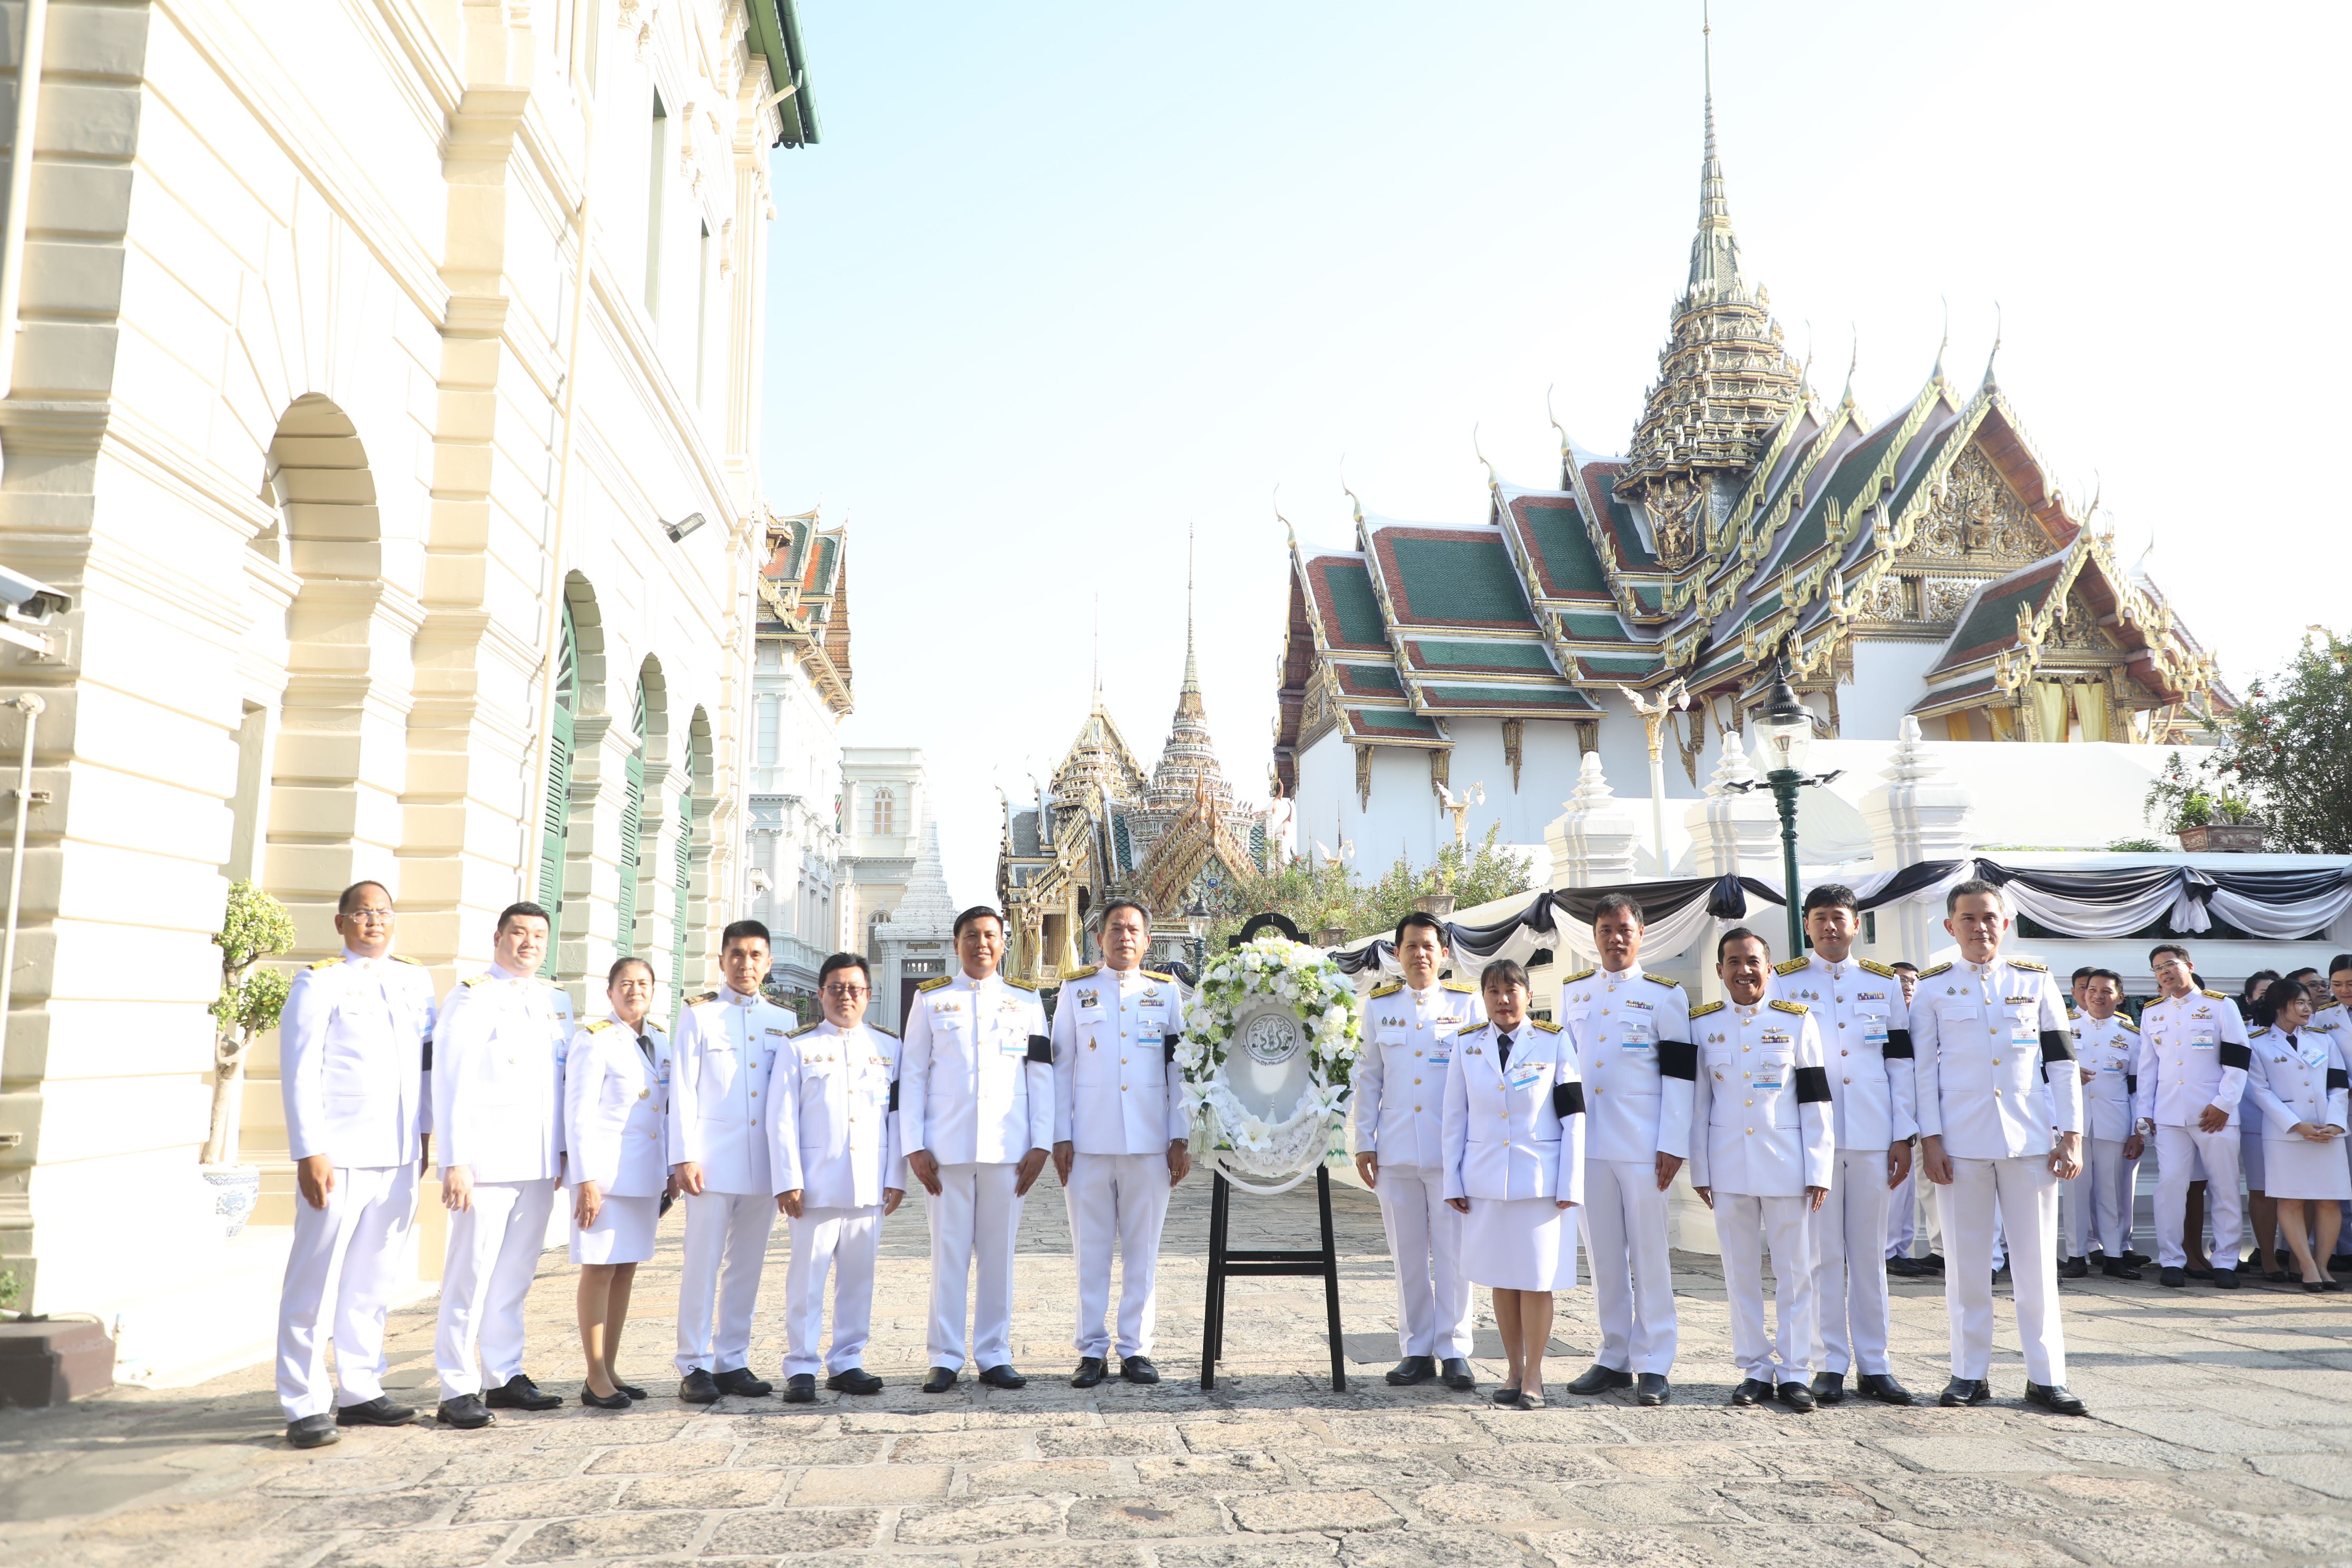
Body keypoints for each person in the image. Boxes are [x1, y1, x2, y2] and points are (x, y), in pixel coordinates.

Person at [273, 880, 439, 1448]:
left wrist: (422, 1136)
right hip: (337, 1156)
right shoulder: (320, 981)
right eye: (363, 913)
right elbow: (297, 1071)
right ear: (341, 923)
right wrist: (308, 1150)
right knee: (313, 1281)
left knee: (373, 1278)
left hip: (397, 1154)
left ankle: (361, 1388)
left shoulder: (415, 981)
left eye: (384, 913)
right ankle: (303, 1401)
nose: (375, 922)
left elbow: (424, 1068)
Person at [1913, 879, 2086, 1416]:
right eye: (1968, 918)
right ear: (1950, 926)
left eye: (1990, 917)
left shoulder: (2034, 981)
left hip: (2030, 1141)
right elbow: (1921, 1072)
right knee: (1966, 1267)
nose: (1980, 927)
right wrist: (1931, 1141)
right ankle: (1969, 1374)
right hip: (1961, 1144)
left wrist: (2071, 1135)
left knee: (2036, 1266)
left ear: (2004, 923)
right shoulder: (1934, 988)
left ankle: (2047, 1376)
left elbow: (2060, 1061)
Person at [431, 901, 575, 1427]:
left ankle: (503, 1374)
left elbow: (562, 1084)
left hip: (536, 1162)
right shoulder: (472, 998)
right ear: (498, 938)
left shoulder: (555, 1000)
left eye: (539, 934)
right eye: (519, 933)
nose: (530, 943)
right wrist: (455, 1161)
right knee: (469, 1274)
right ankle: (456, 1385)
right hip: (485, 1164)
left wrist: (562, 1152)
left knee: (515, 1274)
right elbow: (449, 1081)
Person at [899, 906, 1052, 1392]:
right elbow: (914, 1075)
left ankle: (994, 1354)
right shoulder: (931, 1001)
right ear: (957, 943)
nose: (981, 944)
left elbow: (1041, 1075)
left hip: (1009, 1150)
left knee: (998, 1254)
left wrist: (1042, 1143)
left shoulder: (1027, 1002)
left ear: (1004, 942)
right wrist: (913, 1145)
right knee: (948, 1254)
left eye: (990, 936)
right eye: (971, 936)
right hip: (946, 1152)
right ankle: (944, 1356)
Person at [1771, 886, 1914, 1407]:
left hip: (1875, 1136)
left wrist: (1903, 1134)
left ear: (1856, 925)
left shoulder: (1883, 984)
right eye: (1819, 919)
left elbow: (1900, 1063)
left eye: (1839, 918)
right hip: (1814, 1139)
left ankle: (1876, 1364)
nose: (1830, 927)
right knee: (1823, 1255)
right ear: (1807, 926)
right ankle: (1829, 1363)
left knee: (1871, 1255)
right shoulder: (1783, 981)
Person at [1558, 892, 1695, 1407]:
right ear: (1594, 937)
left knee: (1650, 1255)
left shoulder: (1665, 996)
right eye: (1605, 930)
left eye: (1624, 929)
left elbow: (1681, 1077)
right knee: (1605, 1257)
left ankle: (1655, 1361)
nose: (1615, 938)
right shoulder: (1576, 993)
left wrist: (1673, 1142)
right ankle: (1614, 1354)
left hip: (1644, 1147)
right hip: (1590, 1145)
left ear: (1641, 934)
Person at [1050, 898, 1192, 1388]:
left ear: (1148, 941)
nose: (1124, 937)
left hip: (1151, 1143)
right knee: (1090, 1251)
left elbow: (1179, 1070)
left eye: (1134, 930)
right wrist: (1060, 1136)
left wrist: (1180, 1136)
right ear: (1100, 938)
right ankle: (1091, 1350)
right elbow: (1061, 1067)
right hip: (1088, 1143)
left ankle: (1136, 1349)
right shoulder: (1075, 991)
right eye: (1115, 929)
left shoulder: (1166, 994)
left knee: (1142, 1252)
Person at [1693, 928, 1833, 1410]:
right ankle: (1754, 1368)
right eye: (1733, 961)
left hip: (1786, 1164)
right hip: (1728, 1165)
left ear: (1768, 969)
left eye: (1753, 961)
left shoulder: (1797, 1021)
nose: (1744, 970)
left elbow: (1816, 1097)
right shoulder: (1705, 1026)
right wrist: (1700, 1169)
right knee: (1740, 1272)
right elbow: (1699, 1103)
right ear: (1719, 971)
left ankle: (1795, 1371)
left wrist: (1819, 1167)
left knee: (1796, 1272)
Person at [1442, 959, 1584, 1409]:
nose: (1503, 1000)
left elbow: (1574, 1115)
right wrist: (1453, 1178)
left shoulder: (1554, 1041)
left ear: (1527, 994)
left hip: (1540, 1181)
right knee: (1502, 1280)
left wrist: (1571, 1181)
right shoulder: (1466, 1046)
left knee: (1536, 1280)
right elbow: (1454, 1116)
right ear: (1483, 998)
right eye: (1493, 992)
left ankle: (1536, 1376)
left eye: (1512, 990)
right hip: (1485, 1182)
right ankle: (1512, 1370)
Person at [1351, 910, 1484, 1389]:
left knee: (1454, 1254)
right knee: (1407, 1255)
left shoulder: (1467, 1005)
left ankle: (1455, 1350)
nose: (1421, 954)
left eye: (1429, 946)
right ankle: (1416, 1350)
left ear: (1444, 954)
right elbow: (1369, 1077)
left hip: (1451, 1154)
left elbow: (1480, 1080)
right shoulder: (1379, 1007)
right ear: (1397, 954)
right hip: (1397, 1151)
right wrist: (1364, 1140)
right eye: (1411, 946)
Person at [770, 952, 906, 1400]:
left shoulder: (888, 1048)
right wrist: (788, 1178)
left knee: (858, 1277)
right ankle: (801, 1366)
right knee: (807, 1277)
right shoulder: (798, 1047)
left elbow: (898, 1118)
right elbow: (782, 1118)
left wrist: (897, 1175)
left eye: (855, 989)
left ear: (869, 995)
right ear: (821, 993)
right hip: (814, 1184)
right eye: (836, 988)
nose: (845, 996)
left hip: (869, 1181)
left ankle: (848, 1361)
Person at [669, 920, 793, 1402]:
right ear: (722, 961)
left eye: (755, 955)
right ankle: (693, 1362)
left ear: (768, 963)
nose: (746, 964)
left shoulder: (783, 1022)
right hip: (710, 1164)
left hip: (762, 1165)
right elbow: (681, 1088)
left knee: (746, 1265)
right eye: (737, 955)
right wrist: (682, 1156)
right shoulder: (700, 1017)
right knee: (701, 1263)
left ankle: (732, 1359)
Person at [563, 957, 675, 1409]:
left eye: (643, 984)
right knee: (599, 1268)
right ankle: (593, 1375)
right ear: (610, 992)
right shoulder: (595, 1041)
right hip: (606, 1176)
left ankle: (609, 1367)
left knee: (625, 1268)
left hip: (644, 1175)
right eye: (625, 984)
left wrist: (669, 1170)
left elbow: (663, 1113)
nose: (635, 991)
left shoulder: (660, 1041)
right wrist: (586, 1179)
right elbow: (579, 1114)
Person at [2132, 942, 2251, 1290]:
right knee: (2170, 1185)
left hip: (2214, 1113)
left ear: (2188, 965)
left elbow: (2238, 1059)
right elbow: (2147, 1069)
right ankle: (2172, 1259)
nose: (2165, 972)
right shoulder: (2153, 1012)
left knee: (2225, 1186)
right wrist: (2145, 1113)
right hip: (2169, 1115)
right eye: (2157, 968)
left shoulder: (2219, 1005)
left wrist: (2224, 1104)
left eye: (2170, 964)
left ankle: (2226, 1260)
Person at [2242, 977, 2348, 1290]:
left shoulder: (2322, 1039)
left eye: (2307, 1002)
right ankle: (2306, 1267)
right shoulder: (2258, 1043)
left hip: (2327, 1132)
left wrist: (2336, 1123)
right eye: (2299, 1003)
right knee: (2290, 1201)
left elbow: (2339, 1084)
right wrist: (2295, 1125)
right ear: (2280, 1007)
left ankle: (2323, 1266)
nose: (2307, 1008)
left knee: (2329, 1202)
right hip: (2285, 1134)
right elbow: (2259, 1092)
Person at [2062, 969, 2140, 1280]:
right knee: (2075, 1191)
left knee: (2112, 1190)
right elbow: (2042, 1076)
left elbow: (2138, 1088)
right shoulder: (2065, 1030)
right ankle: (2076, 1255)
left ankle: (2113, 1254)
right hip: (2073, 1122)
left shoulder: (2132, 1036)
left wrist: (2138, 1131)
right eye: (2092, 989)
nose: (2097, 995)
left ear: (2120, 997)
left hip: (2113, 1120)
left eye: (2106, 991)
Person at [1886, 961, 1939, 1278]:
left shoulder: (1927, 1017)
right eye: (1901, 981)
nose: (1907, 986)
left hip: (1930, 1114)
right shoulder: (1886, 1018)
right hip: (1898, 1113)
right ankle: (1889, 1249)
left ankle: (1904, 1249)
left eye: (1912, 981)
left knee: (1926, 1186)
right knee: (1896, 1183)